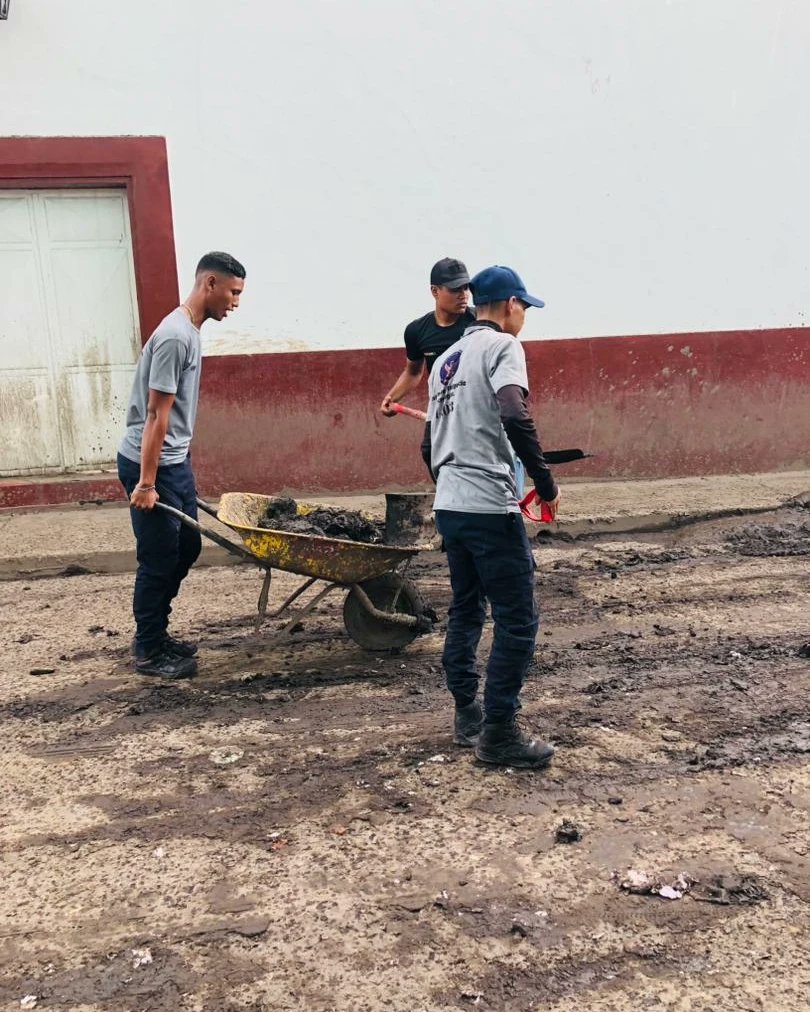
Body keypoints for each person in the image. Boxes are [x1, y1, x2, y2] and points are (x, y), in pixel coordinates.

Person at [422, 265, 560, 769]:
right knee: (518, 621)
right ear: (508, 306)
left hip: (451, 505)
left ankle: (468, 714)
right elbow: (513, 412)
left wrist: (453, 484)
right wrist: (544, 482)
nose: (524, 316)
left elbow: (427, 442)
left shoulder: (446, 361)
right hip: (487, 507)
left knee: (466, 608)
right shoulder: (504, 347)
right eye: (524, 307)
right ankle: (499, 732)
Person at [117, 251, 246, 679]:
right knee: (158, 557)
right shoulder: (175, 336)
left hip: (173, 461)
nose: (235, 302)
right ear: (209, 283)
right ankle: (149, 650)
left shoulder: (189, 331)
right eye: (232, 292)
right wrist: (146, 483)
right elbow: (156, 415)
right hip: (149, 464)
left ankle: (156, 633)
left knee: (186, 547)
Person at [379, 257, 475, 416]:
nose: (463, 295)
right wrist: (392, 398)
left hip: (475, 415)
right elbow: (413, 372)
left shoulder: (479, 322)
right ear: (435, 291)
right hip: (441, 414)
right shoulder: (416, 330)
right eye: (455, 289)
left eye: (466, 288)